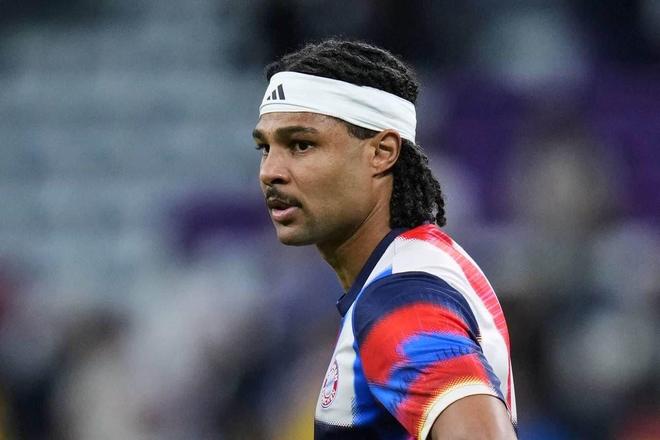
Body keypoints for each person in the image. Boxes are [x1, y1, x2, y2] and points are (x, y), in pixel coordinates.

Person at [252, 39, 517, 440]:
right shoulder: (406, 271)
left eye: (301, 145)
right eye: (265, 148)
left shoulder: (401, 299)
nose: (270, 171)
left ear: (382, 152)